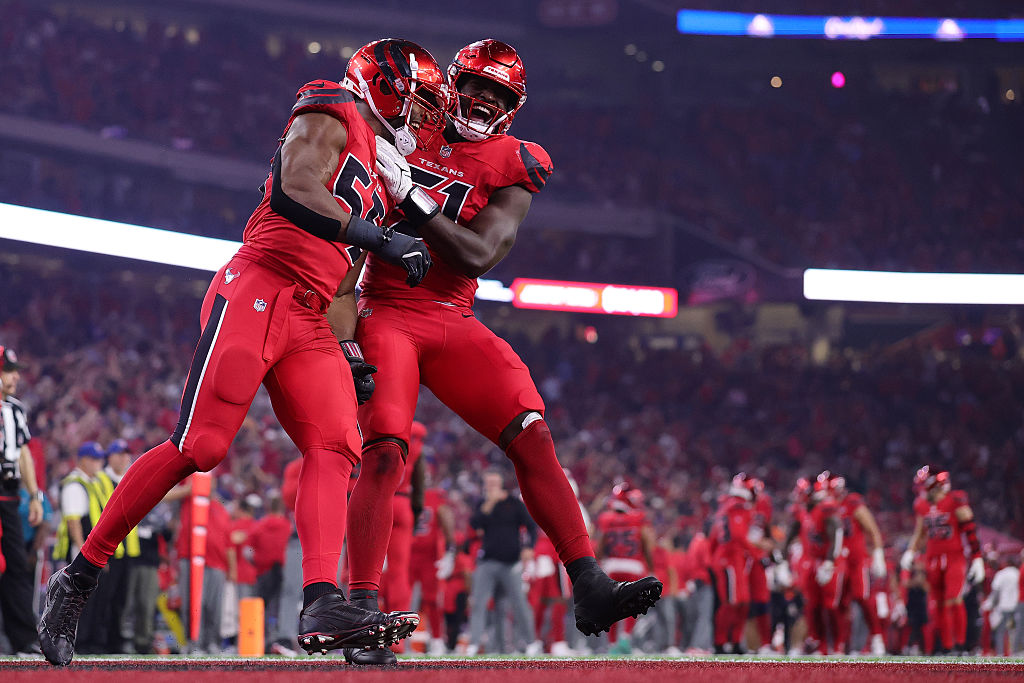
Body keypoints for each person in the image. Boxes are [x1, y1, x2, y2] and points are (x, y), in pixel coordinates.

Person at [36, 37, 441, 667]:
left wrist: (348, 349)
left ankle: (321, 600)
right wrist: (378, 238)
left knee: (337, 447)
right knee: (200, 447)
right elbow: (295, 188)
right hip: (259, 284)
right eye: (418, 103)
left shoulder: (385, 174)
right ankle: (79, 576)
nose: (422, 121)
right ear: (387, 87)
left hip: (311, 313)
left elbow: (341, 278)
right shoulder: (331, 108)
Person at [336, 37, 661, 665]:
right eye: (476, 86)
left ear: (514, 105)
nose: (483, 99)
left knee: (532, 432)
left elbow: (480, 253)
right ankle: (361, 612)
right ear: (452, 83)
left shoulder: (517, 160)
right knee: (383, 452)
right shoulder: (410, 121)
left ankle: (589, 584)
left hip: (453, 313)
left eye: (499, 93)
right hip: (385, 308)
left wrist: (412, 198)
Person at [900, 465, 984, 654]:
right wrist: (911, 551)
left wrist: (977, 558)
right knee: (937, 603)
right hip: (932, 558)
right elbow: (920, 532)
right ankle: (947, 646)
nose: (920, 490)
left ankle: (961, 645)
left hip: (954, 557)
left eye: (923, 485)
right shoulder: (921, 505)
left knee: (953, 599)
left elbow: (970, 531)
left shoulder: (955, 500)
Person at [466, 469, 540, 655]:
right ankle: (474, 643)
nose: (490, 487)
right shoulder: (483, 504)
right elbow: (474, 524)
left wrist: (529, 547)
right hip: (488, 562)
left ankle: (531, 642)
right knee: (479, 603)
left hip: (511, 563)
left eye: (493, 483)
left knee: (520, 604)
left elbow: (532, 526)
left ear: (501, 484)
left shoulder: (514, 503)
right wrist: (490, 502)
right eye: (487, 483)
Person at [0, 346, 44, 655]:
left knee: (16, 564)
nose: (16, 375)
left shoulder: (15, 409)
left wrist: (35, 496)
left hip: (10, 494)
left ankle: (23, 638)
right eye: (9, 369)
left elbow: (24, 452)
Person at [52, 442, 109, 653]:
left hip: (87, 553)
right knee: (77, 602)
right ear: (83, 460)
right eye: (95, 459)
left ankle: (84, 643)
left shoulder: (92, 482)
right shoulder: (75, 484)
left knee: (85, 601)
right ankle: (75, 644)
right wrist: (83, 554)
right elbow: (74, 522)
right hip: (80, 554)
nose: (99, 463)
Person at [828, 472, 888, 655]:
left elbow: (872, 529)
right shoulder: (826, 508)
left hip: (856, 560)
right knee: (838, 603)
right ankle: (841, 645)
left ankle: (877, 638)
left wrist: (878, 554)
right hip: (838, 561)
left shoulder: (852, 503)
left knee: (862, 598)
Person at [594, 482, 655, 655]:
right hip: (633, 566)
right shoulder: (638, 518)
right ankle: (625, 638)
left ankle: (613, 645)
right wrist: (651, 569)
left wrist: (596, 565)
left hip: (611, 565)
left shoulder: (606, 519)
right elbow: (646, 544)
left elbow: (601, 545)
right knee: (633, 604)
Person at [708, 474, 756, 655]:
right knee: (731, 603)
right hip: (731, 560)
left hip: (729, 559)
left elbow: (713, 538)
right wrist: (756, 553)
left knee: (742, 602)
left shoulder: (724, 508)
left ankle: (735, 642)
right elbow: (738, 536)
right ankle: (720, 643)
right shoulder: (737, 507)